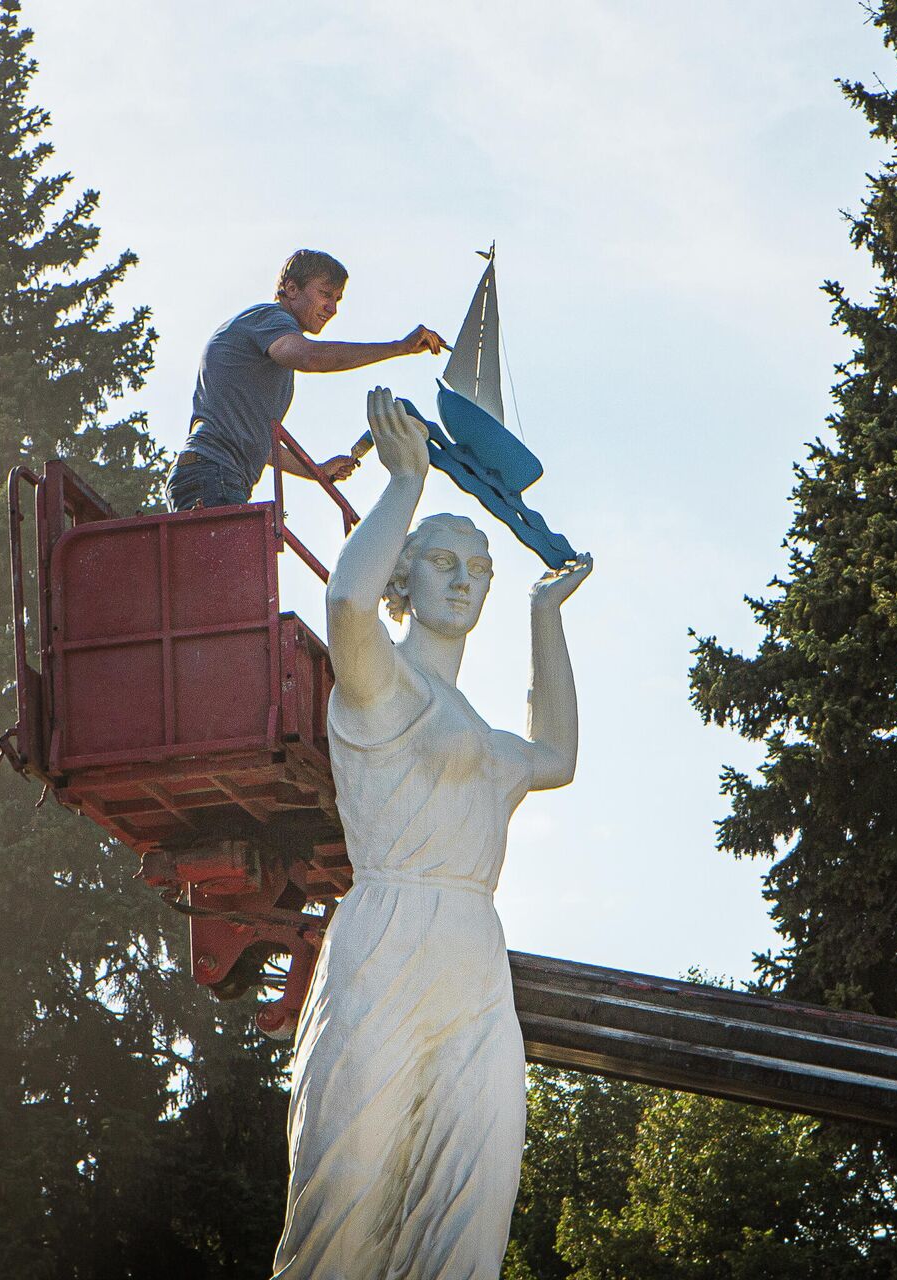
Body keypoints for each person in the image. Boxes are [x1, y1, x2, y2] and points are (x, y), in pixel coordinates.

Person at [271, 388, 593, 1278]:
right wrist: (404, 484)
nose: (463, 579)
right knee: (347, 1204)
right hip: (388, 935)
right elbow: (344, 604)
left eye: (478, 569)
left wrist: (544, 615)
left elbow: (556, 755)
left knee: (472, 1205)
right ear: (404, 577)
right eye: (444, 562)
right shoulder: (380, 687)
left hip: (473, 956)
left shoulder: (480, 731)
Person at [167, 250, 446, 511]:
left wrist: (315, 469)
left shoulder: (267, 347)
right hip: (213, 475)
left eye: (337, 298)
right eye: (325, 294)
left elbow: (260, 445)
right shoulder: (270, 318)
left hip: (211, 473)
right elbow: (311, 358)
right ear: (291, 289)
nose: (332, 308)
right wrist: (399, 347)